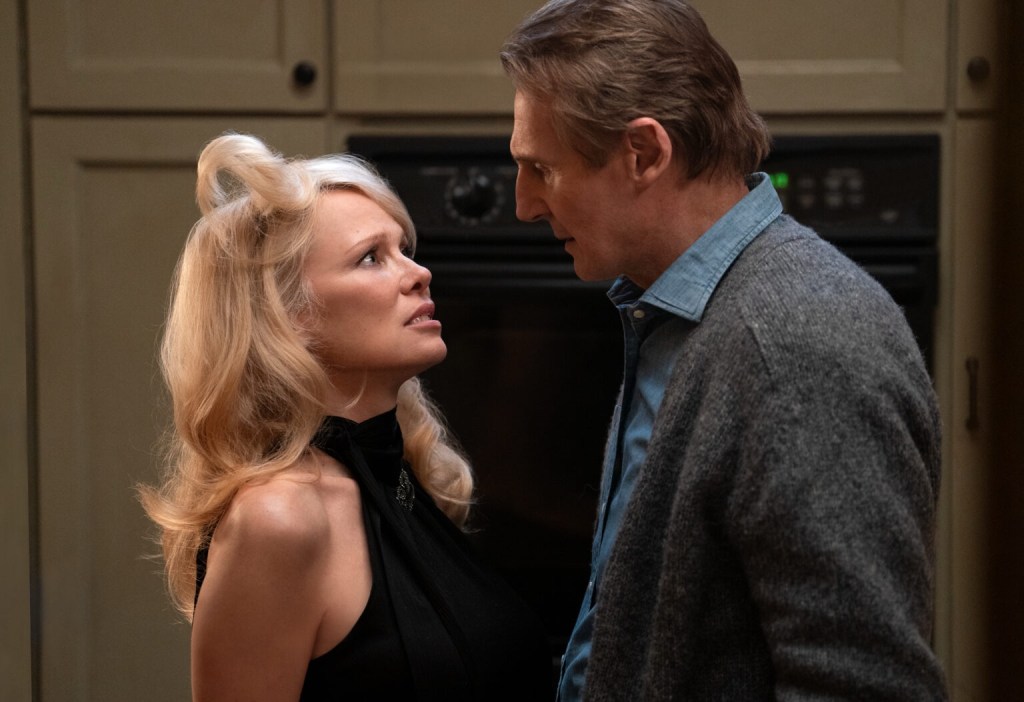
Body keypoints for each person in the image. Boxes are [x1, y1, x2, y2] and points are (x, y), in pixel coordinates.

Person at [500, 1, 947, 700]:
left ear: (644, 153)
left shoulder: (797, 345)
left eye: (541, 169)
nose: (525, 204)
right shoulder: (672, 308)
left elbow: (862, 683)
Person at [139, 133, 551, 701]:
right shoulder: (278, 519)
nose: (419, 273)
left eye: (405, 249)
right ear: (287, 314)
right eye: (371, 258)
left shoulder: (403, 480)